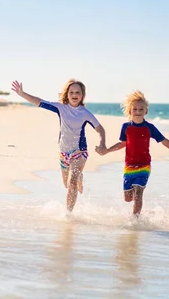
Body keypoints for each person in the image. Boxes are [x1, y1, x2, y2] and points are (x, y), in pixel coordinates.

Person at [11, 79, 107, 211]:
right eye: (71, 92)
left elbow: (100, 128)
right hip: (63, 152)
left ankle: (68, 215)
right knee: (66, 184)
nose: (74, 94)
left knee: (72, 183)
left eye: (77, 92)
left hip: (79, 152)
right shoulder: (61, 108)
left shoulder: (85, 113)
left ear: (82, 95)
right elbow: (39, 102)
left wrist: (102, 143)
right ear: (67, 94)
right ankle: (79, 175)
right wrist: (22, 94)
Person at [102, 90, 169, 216]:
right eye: (135, 109)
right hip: (129, 167)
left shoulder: (150, 128)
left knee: (138, 194)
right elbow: (122, 143)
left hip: (144, 166)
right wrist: (107, 151)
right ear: (130, 111)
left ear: (146, 111)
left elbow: (164, 141)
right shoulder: (126, 127)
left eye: (141, 109)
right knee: (128, 198)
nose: (138, 112)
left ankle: (135, 220)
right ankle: (138, 208)